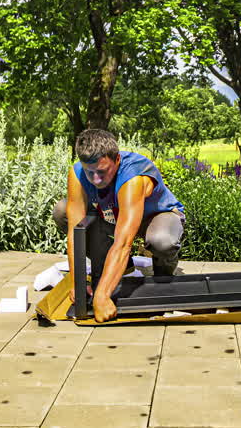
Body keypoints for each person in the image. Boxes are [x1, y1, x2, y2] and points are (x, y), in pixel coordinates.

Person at [52, 129, 185, 322]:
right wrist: (77, 282)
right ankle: (117, 265)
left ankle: (163, 275)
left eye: (102, 172)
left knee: (162, 241)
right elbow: (75, 233)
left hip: (156, 217)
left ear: (117, 160)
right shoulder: (78, 173)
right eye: (90, 172)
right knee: (62, 210)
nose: (95, 179)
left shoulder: (133, 176)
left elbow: (123, 243)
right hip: (116, 218)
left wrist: (102, 296)